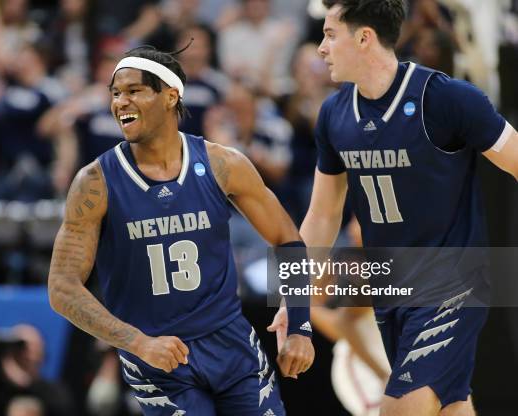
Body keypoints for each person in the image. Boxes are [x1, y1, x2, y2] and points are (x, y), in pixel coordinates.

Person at [269, 0, 518, 415]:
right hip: (392, 289)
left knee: (399, 410)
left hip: (452, 283)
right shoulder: (334, 115)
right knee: (451, 408)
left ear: (364, 37)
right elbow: (323, 216)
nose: (320, 48)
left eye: (331, 35)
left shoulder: (445, 99)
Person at [47, 45, 315, 415]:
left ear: (170, 96)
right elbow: (62, 288)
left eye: (134, 91)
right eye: (115, 93)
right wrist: (138, 343)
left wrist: (300, 323)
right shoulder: (95, 182)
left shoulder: (223, 163)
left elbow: (288, 240)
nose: (120, 102)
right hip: (158, 359)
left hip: (231, 345)